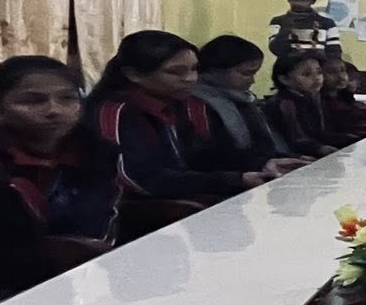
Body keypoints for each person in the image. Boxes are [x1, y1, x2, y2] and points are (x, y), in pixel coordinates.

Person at [0, 56, 118, 305]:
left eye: (68, 98)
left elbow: (95, 226)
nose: (54, 110)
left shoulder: (96, 151)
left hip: (79, 281)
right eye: (32, 101)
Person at [91, 31, 265, 198]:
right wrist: (233, 180)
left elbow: (208, 156)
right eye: (175, 72)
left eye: (194, 69)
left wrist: (262, 166)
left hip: (182, 197)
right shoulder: (116, 112)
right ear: (134, 74)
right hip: (138, 213)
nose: (190, 78)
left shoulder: (181, 104)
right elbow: (139, 179)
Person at [195, 36, 300, 173]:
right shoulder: (200, 105)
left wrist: (291, 158)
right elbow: (216, 156)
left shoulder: (246, 101)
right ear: (215, 70)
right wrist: (263, 164)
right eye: (246, 73)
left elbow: (265, 144)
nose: (253, 81)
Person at [267, 52, 337, 157]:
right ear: (284, 79)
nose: (317, 78)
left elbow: (321, 132)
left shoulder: (312, 97)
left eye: (319, 72)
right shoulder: (285, 103)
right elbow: (295, 138)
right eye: (307, 74)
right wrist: (320, 148)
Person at [266, 0, 341, 61]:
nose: (299, 3)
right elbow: (276, 50)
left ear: (313, 1)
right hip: (288, 69)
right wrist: (285, 29)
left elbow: (334, 53)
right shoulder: (278, 21)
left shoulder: (327, 23)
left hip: (319, 69)